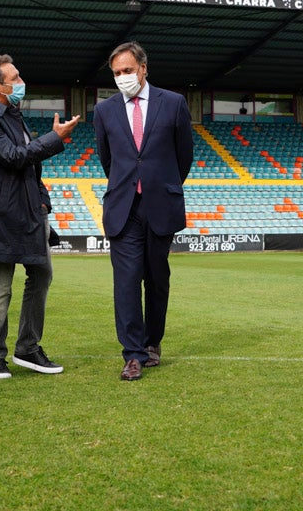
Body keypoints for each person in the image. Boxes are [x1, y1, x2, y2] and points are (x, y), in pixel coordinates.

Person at [0, 54, 80, 379]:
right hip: (0, 214)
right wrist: (55, 138)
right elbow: (14, 157)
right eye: (14, 78)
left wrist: (43, 203)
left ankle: (28, 348)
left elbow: (30, 167)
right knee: (1, 285)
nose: (20, 82)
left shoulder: (14, 115)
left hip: (30, 211)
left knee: (41, 275)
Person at [93, 42, 193, 381]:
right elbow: (107, 159)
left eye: (128, 70)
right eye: (116, 73)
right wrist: (130, 185)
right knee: (126, 282)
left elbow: (183, 156)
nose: (122, 77)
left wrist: (159, 185)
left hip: (160, 205)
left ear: (143, 68)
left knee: (157, 279)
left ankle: (152, 343)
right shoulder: (104, 111)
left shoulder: (174, 103)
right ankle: (133, 354)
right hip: (123, 208)